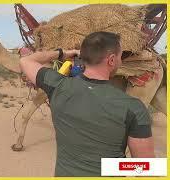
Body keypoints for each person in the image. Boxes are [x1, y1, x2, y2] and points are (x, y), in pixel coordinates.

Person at [19, 31, 154, 176]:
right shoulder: (133, 107)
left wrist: (63, 53)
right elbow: (145, 168)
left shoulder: (57, 86)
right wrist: (109, 167)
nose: (121, 61)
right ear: (112, 60)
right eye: (121, 57)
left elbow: (25, 61)